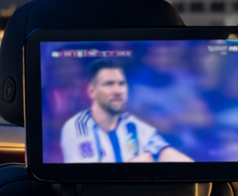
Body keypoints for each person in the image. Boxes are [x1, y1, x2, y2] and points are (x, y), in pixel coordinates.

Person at [59, 59, 193, 164]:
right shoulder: (77, 127)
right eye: (109, 84)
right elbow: (85, 177)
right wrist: (135, 164)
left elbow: (165, 153)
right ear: (91, 91)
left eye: (121, 84)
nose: (118, 91)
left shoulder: (131, 123)